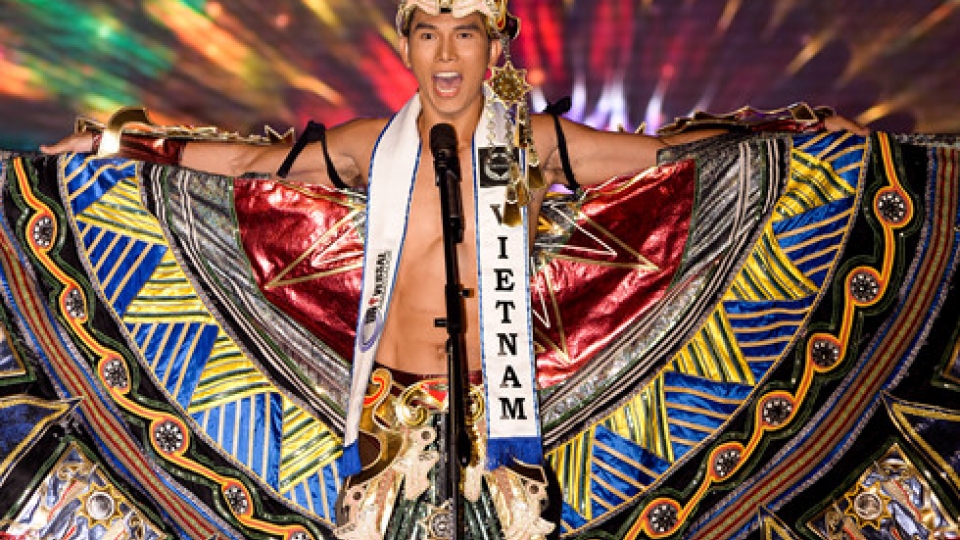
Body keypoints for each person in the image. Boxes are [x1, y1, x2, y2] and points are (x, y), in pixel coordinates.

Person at [42, 2, 866, 539]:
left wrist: (793, 136)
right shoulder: (370, 145)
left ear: (493, 46)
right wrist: (116, 143)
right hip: (387, 427)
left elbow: (665, 158)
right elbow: (249, 163)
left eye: (465, 32)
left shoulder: (533, 143)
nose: (446, 52)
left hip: (504, 422)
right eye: (429, 32)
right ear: (406, 45)